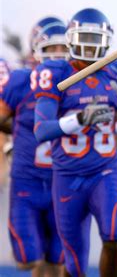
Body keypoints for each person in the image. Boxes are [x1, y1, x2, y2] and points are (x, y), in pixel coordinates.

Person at [33, 8, 117, 277]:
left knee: (114, 235)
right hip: (67, 174)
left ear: (106, 40)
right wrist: (80, 118)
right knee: (74, 262)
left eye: (94, 38)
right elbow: (41, 130)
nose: (89, 46)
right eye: (84, 37)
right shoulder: (55, 73)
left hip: (105, 171)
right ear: (70, 38)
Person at [0, 17, 69, 277]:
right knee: (28, 260)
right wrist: (16, 134)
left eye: (63, 48)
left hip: (63, 182)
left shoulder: (78, 86)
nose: (58, 55)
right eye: (51, 49)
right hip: (27, 180)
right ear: (37, 50)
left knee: (57, 260)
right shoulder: (20, 81)